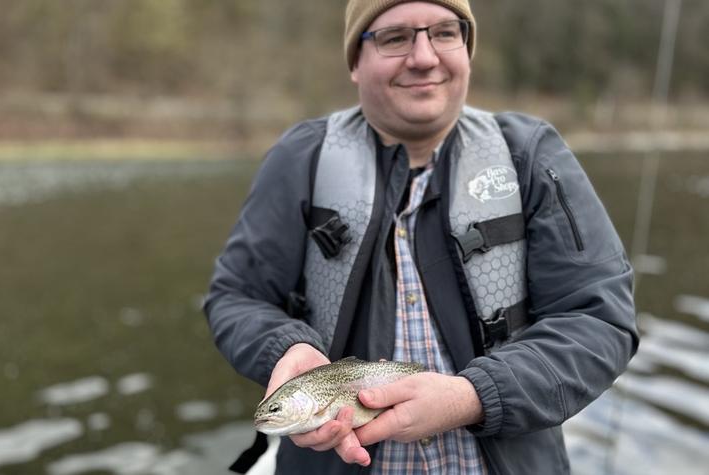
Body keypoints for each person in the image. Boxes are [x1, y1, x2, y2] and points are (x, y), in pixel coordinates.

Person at [203, 1, 638, 473]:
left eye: (446, 33)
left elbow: (599, 319)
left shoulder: (530, 154)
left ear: (467, 49)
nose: (425, 57)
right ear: (355, 60)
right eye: (395, 38)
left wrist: (472, 396)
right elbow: (236, 296)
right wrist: (284, 347)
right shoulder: (299, 158)